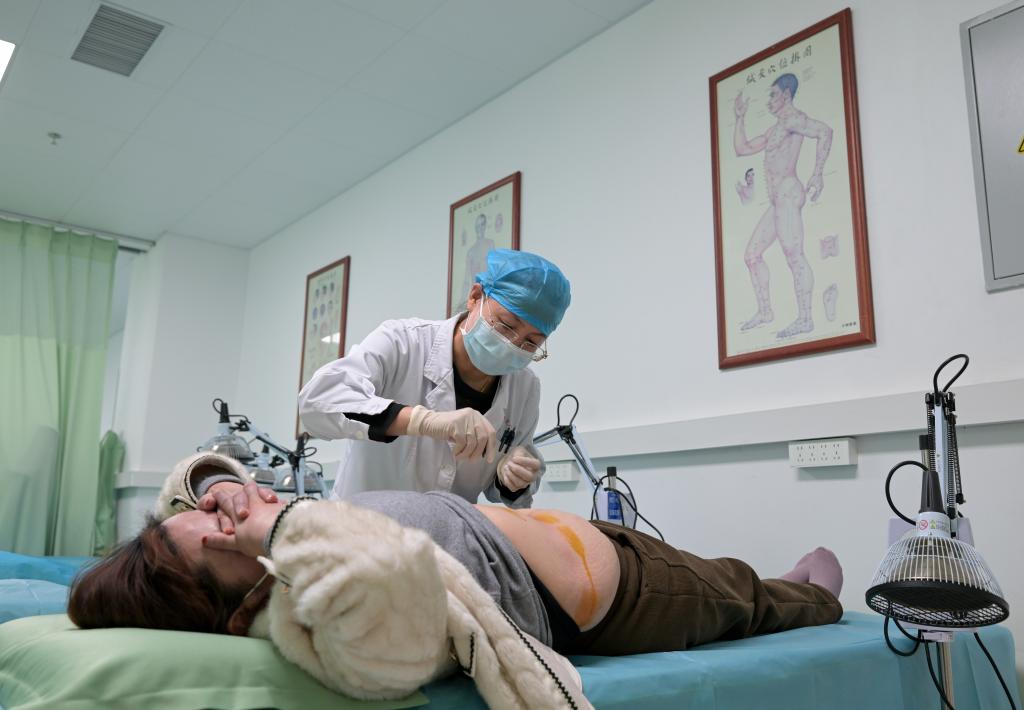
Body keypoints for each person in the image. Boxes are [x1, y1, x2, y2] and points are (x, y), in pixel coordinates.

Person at [69, 453, 844, 707]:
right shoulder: (318, 611)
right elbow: (394, 589)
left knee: (725, 577)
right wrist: (271, 528)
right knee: (743, 597)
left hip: (588, 541)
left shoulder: (292, 552)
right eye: (215, 532)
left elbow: (197, 477)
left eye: (211, 507)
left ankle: (779, 583)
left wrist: (224, 499)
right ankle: (814, 596)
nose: (228, 509)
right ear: (232, 611)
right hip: (630, 591)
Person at [298, 249, 571, 508]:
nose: (513, 344)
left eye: (531, 343)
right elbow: (318, 401)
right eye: (506, 325)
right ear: (475, 297)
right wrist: (423, 421)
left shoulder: (524, 387)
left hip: (445, 535)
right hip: (360, 528)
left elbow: (505, 485)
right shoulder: (402, 342)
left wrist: (512, 475)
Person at [733, 72, 833, 338]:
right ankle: (766, 312)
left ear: (786, 95)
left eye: (773, 95)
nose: (769, 100)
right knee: (752, 255)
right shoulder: (774, 129)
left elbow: (824, 131)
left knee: (794, 255)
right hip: (778, 200)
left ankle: (805, 319)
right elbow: (742, 149)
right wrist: (740, 118)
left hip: (788, 193)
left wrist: (818, 173)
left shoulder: (793, 120)